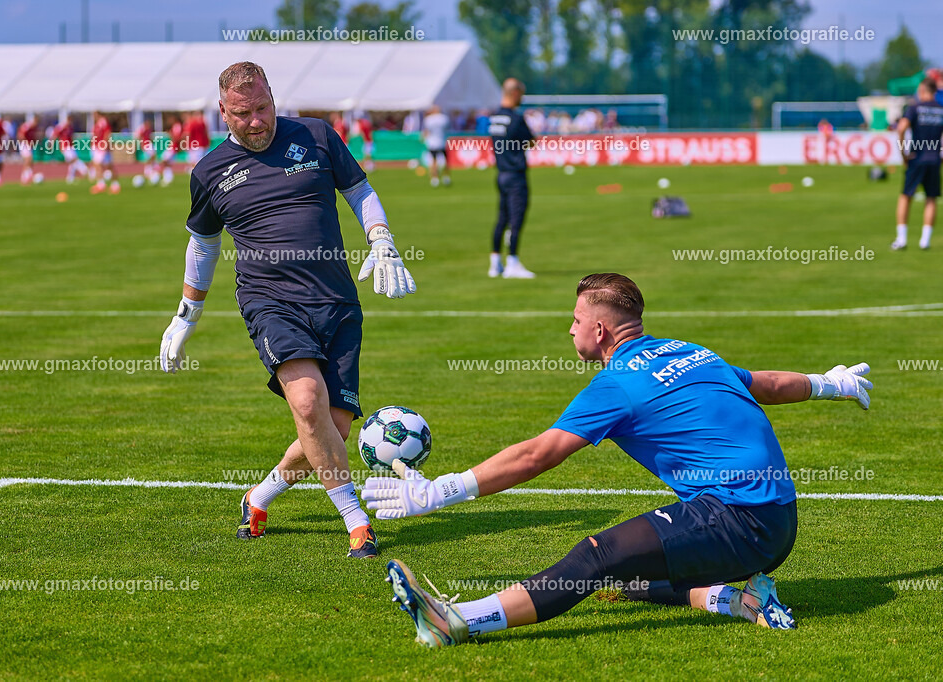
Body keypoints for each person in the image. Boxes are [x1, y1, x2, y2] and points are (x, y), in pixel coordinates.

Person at [362, 273, 873, 647]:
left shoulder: (617, 385)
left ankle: (458, 621)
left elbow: (538, 454)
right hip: (777, 518)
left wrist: (440, 490)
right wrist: (835, 384)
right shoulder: (689, 350)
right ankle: (741, 600)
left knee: (598, 557)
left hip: (738, 520)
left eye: (578, 320)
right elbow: (769, 383)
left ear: (601, 332)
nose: (571, 330)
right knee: (626, 577)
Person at [158, 61, 417, 559]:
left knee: (332, 427)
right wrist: (186, 315)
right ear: (222, 113)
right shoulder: (210, 172)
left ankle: (259, 497)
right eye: (242, 114)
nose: (256, 121)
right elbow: (203, 246)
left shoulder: (317, 135)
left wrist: (381, 239)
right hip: (270, 301)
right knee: (306, 403)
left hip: (337, 298)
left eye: (262, 108)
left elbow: (359, 191)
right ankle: (355, 520)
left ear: (273, 97)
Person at [892, 77, 943, 251]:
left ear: (923, 91)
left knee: (906, 196)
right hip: (934, 159)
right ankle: (925, 241)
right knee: (931, 198)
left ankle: (902, 239)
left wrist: (903, 153)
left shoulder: (914, 108)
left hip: (916, 158)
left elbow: (902, 127)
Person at [488, 78, 536, 279]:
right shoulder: (516, 119)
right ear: (515, 93)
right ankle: (513, 263)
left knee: (502, 218)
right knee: (516, 219)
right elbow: (531, 141)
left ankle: (495, 263)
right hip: (516, 175)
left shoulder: (495, 118)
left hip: (501, 174)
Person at [89, 111, 120, 194]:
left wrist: (105, 144)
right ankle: (103, 184)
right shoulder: (98, 123)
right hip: (98, 147)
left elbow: (107, 133)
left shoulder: (103, 122)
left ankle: (111, 185)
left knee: (104, 166)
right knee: (100, 165)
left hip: (102, 147)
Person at [421, 105, 451, 188]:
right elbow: (447, 129)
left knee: (433, 161)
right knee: (445, 161)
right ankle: (446, 177)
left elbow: (426, 132)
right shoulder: (444, 118)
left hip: (432, 143)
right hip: (442, 141)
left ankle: (434, 179)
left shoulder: (428, 119)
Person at [17, 116, 40, 185]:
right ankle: (23, 178)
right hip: (24, 144)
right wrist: (26, 143)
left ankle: (29, 175)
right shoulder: (27, 126)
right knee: (28, 160)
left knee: (30, 161)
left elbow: (33, 136)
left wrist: (34, 142)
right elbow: (20, 135)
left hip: (30, 145)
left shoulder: (34, 128)